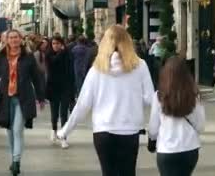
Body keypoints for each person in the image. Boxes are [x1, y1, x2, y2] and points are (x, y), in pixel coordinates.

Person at [58, 25, 155, 176]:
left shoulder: (97, 69)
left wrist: (66, 130)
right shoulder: (140, 66)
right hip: (129, 130)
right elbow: (150, 99)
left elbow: (83, 104)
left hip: (103, 131)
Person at [0, 29, 45, 176]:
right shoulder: (1, 56)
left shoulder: (28, 56)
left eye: (16, 37)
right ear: (7, 40)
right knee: (9, 131)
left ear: (21, 39)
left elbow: (36, 78)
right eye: (11, 38)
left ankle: (16, 162)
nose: (14, 40)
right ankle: (14, 158)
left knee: (17, 130)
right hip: (5, 99)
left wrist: (41, 98)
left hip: (23, 98)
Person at [148, 57, 205, 176]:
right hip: (189, 147)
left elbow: (153, 127)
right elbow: (200, 126)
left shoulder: (159, 96)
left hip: (166, 149)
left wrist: (152, 140)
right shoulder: (193, 96)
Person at [46, 36, 75, 149]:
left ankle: (63, 137)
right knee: (54, 113)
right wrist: (63, 52)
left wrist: (73, 89)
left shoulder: (67, 55)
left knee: (64, 114)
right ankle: (54, 129)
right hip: (53, 88)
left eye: (58, 43)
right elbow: (54, 62)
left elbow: (71, 71)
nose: (56, 45)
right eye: (53, 43)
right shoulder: (49, 55)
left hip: (65, 88)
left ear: (62, 44)